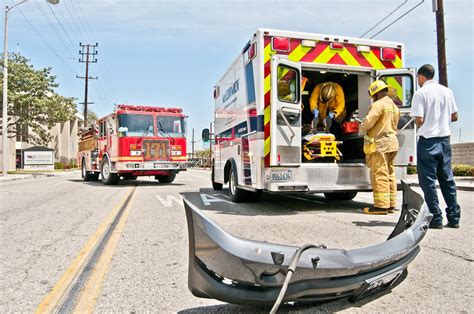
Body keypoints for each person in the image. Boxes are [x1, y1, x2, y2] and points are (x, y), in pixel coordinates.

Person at [411, 64, 460, 229]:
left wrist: (429, 122)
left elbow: (419, 120)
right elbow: (455, 116)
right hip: (445, 141)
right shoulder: (448, 91)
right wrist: (441, 120)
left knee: (428, 182)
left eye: (418, 78)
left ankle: (436, 218)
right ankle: (454, 218)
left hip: (428, 141)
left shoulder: (420, 93)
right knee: (447, 179)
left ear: (422, 77)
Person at [361, 80, 400, 215]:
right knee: (390, 173)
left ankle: (381, 206)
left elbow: (368, 123)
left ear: (376, 94)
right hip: (392, 142)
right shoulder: (394, 106)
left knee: (379, 173)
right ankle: (391, 204)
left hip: (380, 144)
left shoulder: (378, 105)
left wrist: (362, 127)